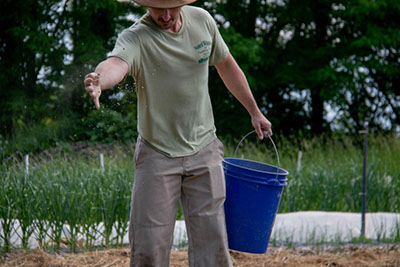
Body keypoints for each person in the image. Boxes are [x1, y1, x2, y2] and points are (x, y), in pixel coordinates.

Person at [84, 0, 272, 266]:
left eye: (173, 6)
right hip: (157, 152)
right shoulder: (136, 37)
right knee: (149, 247)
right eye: (159, 8)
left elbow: (227, 66)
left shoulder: (202, 21)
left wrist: (254, 111)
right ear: (147, 5)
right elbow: (116, 64)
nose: (167, 15)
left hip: (204, 147)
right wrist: (99, 80)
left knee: (214, 246)